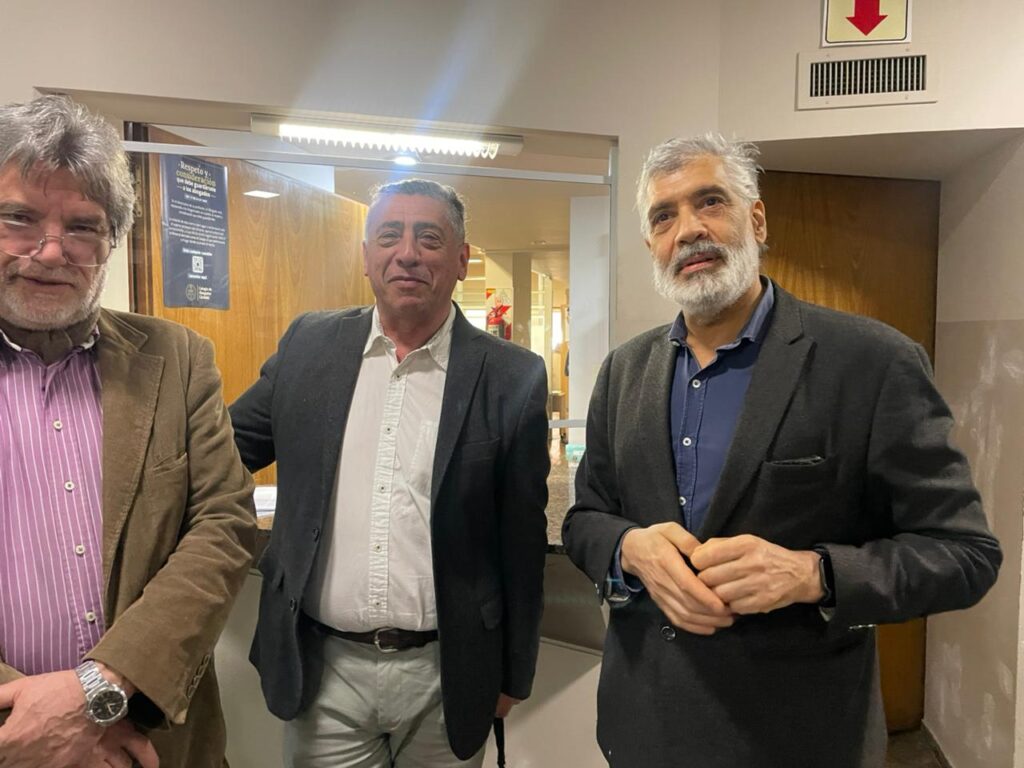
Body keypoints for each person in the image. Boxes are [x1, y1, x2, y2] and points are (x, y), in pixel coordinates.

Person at [561, 134, 1002, 768]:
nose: (688, 230)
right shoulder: (624, 371)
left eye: (710, 202)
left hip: (799, 738)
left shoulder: (872, 362)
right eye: (663, 216)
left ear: (757, 219)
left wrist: (811, 574)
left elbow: (965, 555)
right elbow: (586, 520)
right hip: (644, 729)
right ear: (652, 243)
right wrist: (629, 548)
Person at [230, 178, 550, 767]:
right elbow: (224, 450)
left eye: (429, 238)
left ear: (461, 259)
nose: (407, 253)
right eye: (389, 236)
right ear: (366, 256)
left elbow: (522, 543)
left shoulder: (513, 377)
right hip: (324, 673)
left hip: (448, 676)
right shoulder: (308, 347)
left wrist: (514, 674)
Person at [0, 95, 258, 768]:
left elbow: (224, 524)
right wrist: (34, 720)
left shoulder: (177, 358)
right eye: (19, 218)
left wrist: (98, 692)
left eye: (82, 227)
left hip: (150, 743)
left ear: (112, 242)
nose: (51, 251)